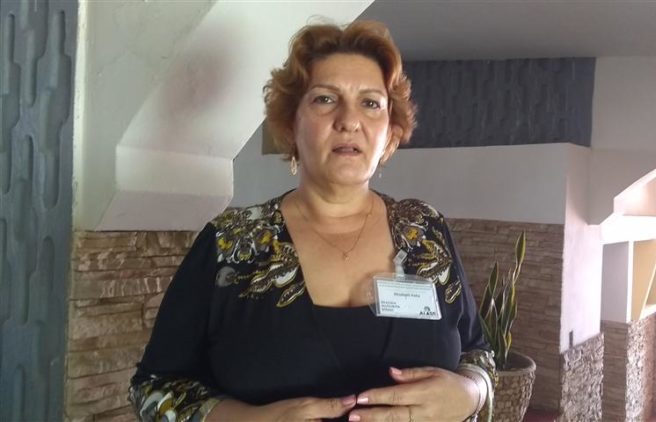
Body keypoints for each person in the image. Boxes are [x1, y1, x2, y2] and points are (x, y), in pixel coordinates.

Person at [129, 20, 496, 422]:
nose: (349, 120)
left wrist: (472, 392)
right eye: (325, 99)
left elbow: (477, 353)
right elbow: (155, 387)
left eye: (371, 103)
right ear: (291, 124)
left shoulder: (426, 231)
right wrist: (252, 420)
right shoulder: (231, 243)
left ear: (390, 132)